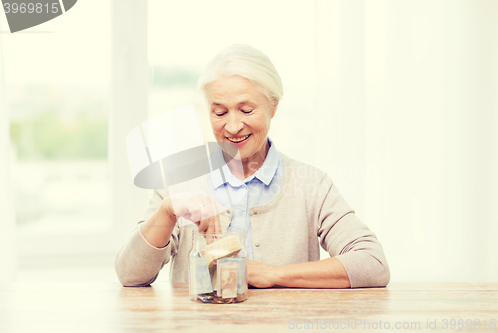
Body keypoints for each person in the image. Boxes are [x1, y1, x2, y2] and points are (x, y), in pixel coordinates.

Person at [115, 44, 390, 289]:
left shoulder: (311, 185)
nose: (233, 127)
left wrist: (269, 274)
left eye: (246, 110)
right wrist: (167, 212)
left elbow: (372, 264)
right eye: (220, 112)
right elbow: (129, 274)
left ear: (273, 106)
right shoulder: (181, 181)